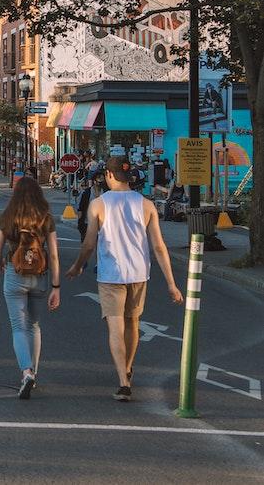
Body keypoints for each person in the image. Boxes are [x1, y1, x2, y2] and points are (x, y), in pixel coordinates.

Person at [66, 156, 183, 402]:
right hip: (139, 273)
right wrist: (171, 284)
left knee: (115, 328)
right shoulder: (146, 204)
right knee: (133, 324)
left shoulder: (99, 204)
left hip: (111, 274)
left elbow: (89, 243)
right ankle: (127, 368)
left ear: (109, 175)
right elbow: (159, 247)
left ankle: (123, 381)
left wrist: (78, 266)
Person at [0, 177, 61, 400]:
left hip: (15, 272)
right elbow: (53, 254)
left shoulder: (8, 216)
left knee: (18, 327)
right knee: (34, 325)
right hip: (39, 275)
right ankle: (35, 372)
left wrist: (2, 263)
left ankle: (26, 371)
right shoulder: (46, 218)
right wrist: (56, 286)